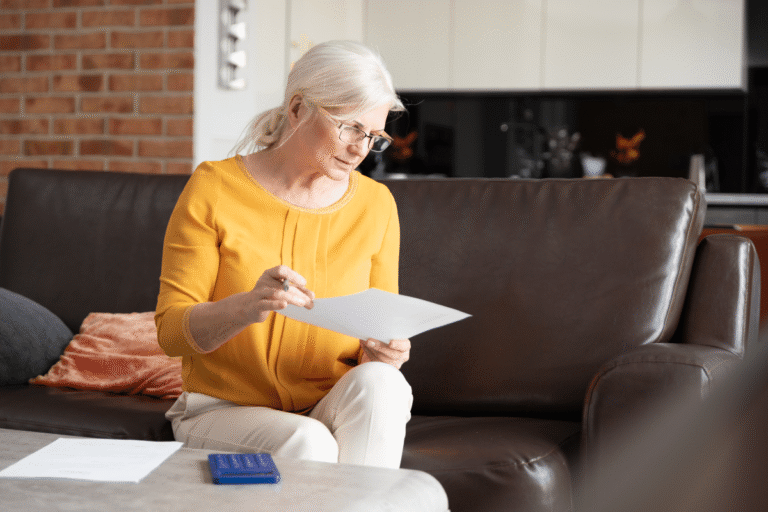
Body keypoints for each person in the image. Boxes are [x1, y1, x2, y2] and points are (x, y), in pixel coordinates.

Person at [155, 40, 413, 469]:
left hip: (328, 401)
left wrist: (385, 353)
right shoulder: (214, 188)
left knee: (385, 384)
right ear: (297, 109)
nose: (359, 149)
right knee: (308, 442)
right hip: (220, 412)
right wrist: (244, 307)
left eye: (373, 136)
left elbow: (377, 323)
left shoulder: (377, 204)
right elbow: (170, 334)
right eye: (349, 127)